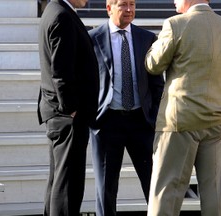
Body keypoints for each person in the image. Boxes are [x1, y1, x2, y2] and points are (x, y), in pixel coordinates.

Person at [145, 0, 221, 216]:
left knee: (166, 196)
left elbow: (153, 64)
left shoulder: (175, 24)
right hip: (218, 121)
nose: (173, 1)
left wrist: (153, 45)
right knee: (215, 199)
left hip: (179, 122)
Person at [88, 0, 164, 215]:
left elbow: (157, 84)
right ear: (109, 8)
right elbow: (86, 81)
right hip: (107, 122)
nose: (129, 10)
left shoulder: (147, 38)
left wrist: (154, 115)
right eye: (122, 5)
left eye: (132, 4)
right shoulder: (93, 39)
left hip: (142, 122)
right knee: (106, 188)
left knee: (153, 184)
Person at [37, 0, 99, 215]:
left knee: (58, 181)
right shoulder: (62, 15)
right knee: (67, 187)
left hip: (59, 114)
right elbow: (60, 71)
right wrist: (71, 109)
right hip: (68, 116)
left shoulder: (55, 10)